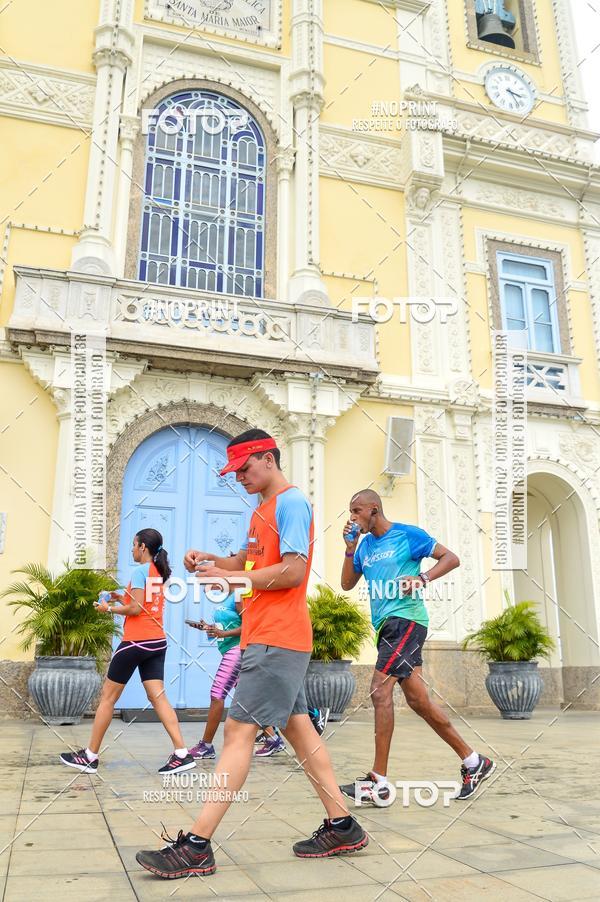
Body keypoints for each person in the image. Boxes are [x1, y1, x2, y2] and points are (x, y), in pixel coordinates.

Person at [136, 430, 367, 879]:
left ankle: (197, 846)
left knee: (237, 732)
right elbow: (249, 560)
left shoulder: (291, 503)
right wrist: (214, 560)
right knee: (299, 730)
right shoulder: (262, 508)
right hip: (270, 636)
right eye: (234, 472)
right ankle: (342, 825)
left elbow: (294, 570)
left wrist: (233, 581)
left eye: (243, 469)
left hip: (275, 638)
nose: (238, 477)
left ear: (267, 459)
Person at [338, 490, 495, 803]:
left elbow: (451, 558)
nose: (352, 517)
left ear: (373, 509)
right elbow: (346, 584)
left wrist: (422, 578)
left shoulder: (407, 535)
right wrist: (350, 548)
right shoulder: (364, 546)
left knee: (379, 691)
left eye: (357, 510)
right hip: (386, 628)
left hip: (407, 620)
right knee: (418, 701)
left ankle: (378, 781)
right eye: (350, 511)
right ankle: (474, 761)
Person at [60, 528, 195, 776]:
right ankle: (182, 753)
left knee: (108, 698)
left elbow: (135, 609)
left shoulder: (140, 571)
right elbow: (140, 603)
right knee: (158, 697)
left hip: (135, 643)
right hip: (156, 643)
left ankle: (90, 756)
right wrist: (116, 597)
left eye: (134, 545)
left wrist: (107, 609)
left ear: (143, 547)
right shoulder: (158, 571)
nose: (132, 549)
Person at [187, 595, 243, 759]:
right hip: (228, 649)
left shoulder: (239, 594)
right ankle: (272, 738)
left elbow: (249, 626)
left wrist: (223, 633)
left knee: (217, 694)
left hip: (237, 650)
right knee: (247, 698)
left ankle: (206, 746)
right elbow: (227, 625)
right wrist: (208, 628)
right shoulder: (226, 597)